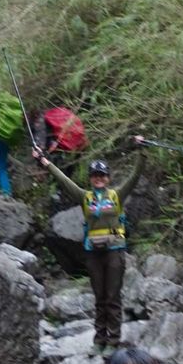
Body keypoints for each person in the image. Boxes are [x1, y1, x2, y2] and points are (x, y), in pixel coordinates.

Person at [37, 150, 140, 351]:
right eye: (95, 175)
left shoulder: (117, 195)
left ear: (108, 178)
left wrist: (141, 152)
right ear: (91, 179)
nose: (98, 179)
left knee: (112, 297)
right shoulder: (85, 197)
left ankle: (113, 340)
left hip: (114, 250)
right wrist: (46, 162)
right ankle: (99, 339)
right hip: (93, 253)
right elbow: (64, 181)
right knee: (99, 298)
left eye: (102, 175)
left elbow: (134, 176)